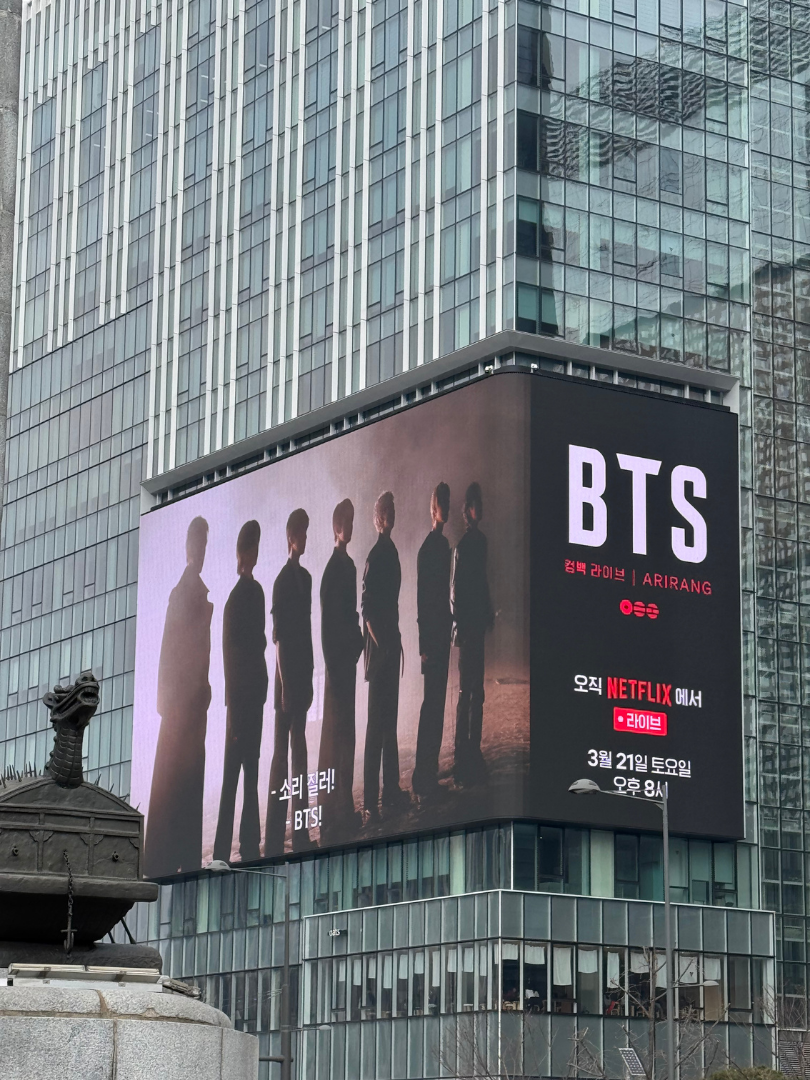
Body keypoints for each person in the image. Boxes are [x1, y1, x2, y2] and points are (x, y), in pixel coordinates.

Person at [144, 516, 213, 877]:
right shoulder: (183, 592)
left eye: (205, 545)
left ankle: (179, 857)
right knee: (176, 782)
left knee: (185, 782)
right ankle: (168, 859)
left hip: (190, 708)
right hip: (181, 710)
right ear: (189, 548)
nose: (201, 552)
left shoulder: (195, 591)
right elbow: (170, 651)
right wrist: (173, 704)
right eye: (198, 545)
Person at [212, 520, 268, 863]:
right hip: (241, 704)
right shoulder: (236, 600)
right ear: (242, 553)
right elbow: (229, 660)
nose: (256, 552)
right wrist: (233, 714)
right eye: (252, 547)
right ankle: (223, 851)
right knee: (234, 778)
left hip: (252, 699)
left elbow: (256, 646)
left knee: (250, 775)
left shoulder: (255, 593)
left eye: (257, 546)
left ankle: (248, 846)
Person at [264, 509, 316, 855]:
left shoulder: (306, 579)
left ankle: (299, 833)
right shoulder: (282, 581)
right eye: (302, 533)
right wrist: (285, 686)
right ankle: (274, 838)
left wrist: (308, 677)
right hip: (287, 683)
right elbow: (280, 638)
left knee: (299, 757)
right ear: (290, 537)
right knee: (282, 758)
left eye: (307, 533)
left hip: (301, 677)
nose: (306, 538)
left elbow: (305, 633)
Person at [317, 499, 365, 844]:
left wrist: (357, 643)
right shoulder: (334, 570)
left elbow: (351, 616)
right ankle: (331, 816)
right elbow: (329, 625)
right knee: (335, 742)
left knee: (346, 739)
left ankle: (343, 810)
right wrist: (335, 667)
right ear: (336, 527)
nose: (349, 527)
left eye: (351, 521)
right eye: (345, 522)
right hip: (338, 669)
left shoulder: (347, 566)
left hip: (346, 665)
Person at [362, 491, 410, 820]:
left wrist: (395, 641)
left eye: (392, 509)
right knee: (376, 727)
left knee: (389, 723)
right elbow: (367, 610)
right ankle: (369, 800)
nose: (390, 514)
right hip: (381, 654)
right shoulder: (377, 554)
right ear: (378, 518)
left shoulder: (389, 551)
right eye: (385, 511)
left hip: (390, 647)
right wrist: (384, 644)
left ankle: (389, 791)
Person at [411, 482, 452, 798]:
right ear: (433, 509)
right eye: (442, 504)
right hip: (433, 639)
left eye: (447, 503)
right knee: (431, 707)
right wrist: (424, 646)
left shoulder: (441, 546)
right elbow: (423, 600)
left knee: (436, 707)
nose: (445, 509)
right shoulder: (429, 549)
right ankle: (422, 777)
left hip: (440, 635)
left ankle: (427, 775)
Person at [451, 482, 494, 786]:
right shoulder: (465, 546)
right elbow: (457, 591)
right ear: (468, 510)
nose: (479, 509)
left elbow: (480, 582)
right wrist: (463, 625)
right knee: (468, 692)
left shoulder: (477, 543)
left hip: (474, 626)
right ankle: (462, 755)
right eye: (475, 504)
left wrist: (487, 612)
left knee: (475, 691)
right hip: (469, 628)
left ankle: (471, 751)